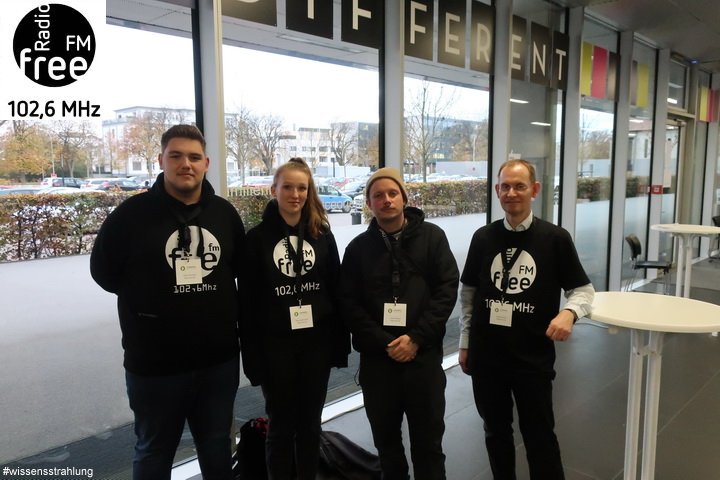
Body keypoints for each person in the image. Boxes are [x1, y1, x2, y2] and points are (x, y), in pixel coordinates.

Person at [90, 124, 245, 480]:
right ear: (161, 160)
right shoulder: (130, 216)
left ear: (206, 163)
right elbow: (104, 273)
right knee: (154, 451)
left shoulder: (224, 214)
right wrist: (150, 304)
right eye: (175, 156)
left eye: (193, 157)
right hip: (155, 366)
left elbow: (235, 269)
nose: (185, 164)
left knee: (217, 444)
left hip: (217, 362)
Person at [458, 159, 594, 480]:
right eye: (505, 186)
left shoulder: (555, 239)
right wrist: (465, 344)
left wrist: (569, 312)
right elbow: (469, 297)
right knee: (495, 433)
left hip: (532, 359)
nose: (511, 193)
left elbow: (584, 291)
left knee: (539, 436)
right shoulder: (483, 238)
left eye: (519, 186)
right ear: (497, 191)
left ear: (534, 190)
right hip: (488, 358)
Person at [340, 167, 459, 480]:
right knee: (387, 446)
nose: (386, 200)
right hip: (379, 364)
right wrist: (385, 343)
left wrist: (416, 339)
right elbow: (349, 304)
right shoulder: (357, 250)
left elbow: (446, 290)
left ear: (405, 198)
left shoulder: (433, 238)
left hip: (423, 359)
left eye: (393, 193)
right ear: (369, 202)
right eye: (378, 195)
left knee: (429, 446)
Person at [241, 157, 350, 480]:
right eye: (287, 186)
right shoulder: (256, 240)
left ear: (309, 191)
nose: (295, 194)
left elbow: (336, 290)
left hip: (316, 343)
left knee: (310, 425)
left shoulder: (322, 234)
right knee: (281, 425)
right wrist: (253, 361)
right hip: (276, 347)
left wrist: (338, 347)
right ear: (274, 189)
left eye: (302, 187)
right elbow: (246, 305)